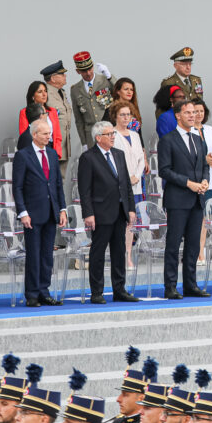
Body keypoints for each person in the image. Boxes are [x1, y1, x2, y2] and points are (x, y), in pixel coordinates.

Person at [78, 121, 137, 304]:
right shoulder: (88, 157)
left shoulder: (118, 155)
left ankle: (119, 289)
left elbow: (126, 184)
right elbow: (84, 189)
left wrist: (131, 208)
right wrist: (88, 213)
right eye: (109, 134)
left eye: (113, 133)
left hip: (120, 211)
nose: (113, 136)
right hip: (100, 212)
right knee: (98, 253)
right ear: (98, 138)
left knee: (119, 252)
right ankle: (97, 291)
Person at [156, 100, 210, 300]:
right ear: (177, 115)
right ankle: (170, 286)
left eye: (194, 112)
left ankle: (190, 284)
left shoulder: (198, 139)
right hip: (178, 199)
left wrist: (204, 181)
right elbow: (164, 170)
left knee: (193, 245)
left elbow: (204, 165)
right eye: (187, 112)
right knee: (173, 244)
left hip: (197, 199)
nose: (192, 115)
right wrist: (189, 183)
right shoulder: (168, 140)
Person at [12, 119, 67, 307]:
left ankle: (44, 291)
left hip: (51, 212)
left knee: (46, 256)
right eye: (44, 133)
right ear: (34, 135)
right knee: (34, 255)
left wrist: (62, 209)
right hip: (32, 214)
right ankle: (32, 294)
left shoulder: (52, 154)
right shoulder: (23, 155)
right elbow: (17, 187)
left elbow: (57, 184)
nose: (48, 136)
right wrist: (23, 212)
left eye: (49, 133)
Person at [108, 101, 146, 281]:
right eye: (122, 114)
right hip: (119, 184)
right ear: (115, 116)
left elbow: (140, 159)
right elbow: (113, 161)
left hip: (135, 184)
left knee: (131, 221)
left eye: (128, 114)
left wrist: (136, 176)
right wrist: (127, 177)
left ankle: (128, 255)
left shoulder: (135, 134)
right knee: (120, 221)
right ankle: (119, 254)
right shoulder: (112, 134)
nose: (126, 118)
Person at [192, 99, 212, 268]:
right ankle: (194, 250)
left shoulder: (210, 130)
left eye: (201, 111)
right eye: (195, 111)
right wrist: (203, 159)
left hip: (209, 178)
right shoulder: (186, 131)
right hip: (194, 179)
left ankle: (201, 250)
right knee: (194, 217)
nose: (199, 114)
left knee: (204, 218)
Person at [69, 51, 114, 149]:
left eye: (90, 69)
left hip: (109, 131)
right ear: (78, 71)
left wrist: (110, 77)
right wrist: (84, 142)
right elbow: (79, 120)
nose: (88, 73)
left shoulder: (105, 80)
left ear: (93, 66)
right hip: (91, 136)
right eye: (84, 71)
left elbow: (120, 91)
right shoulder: (75, 89)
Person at [18, 78, 63, 155]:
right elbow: (25, 135)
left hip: (52, 148)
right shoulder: (24, 112)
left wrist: (56, 152)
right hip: (35, 149)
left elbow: (58, 135)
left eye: (45, 91)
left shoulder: (52, 111)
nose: (44, 94)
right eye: (40, 92)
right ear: (33, 96)